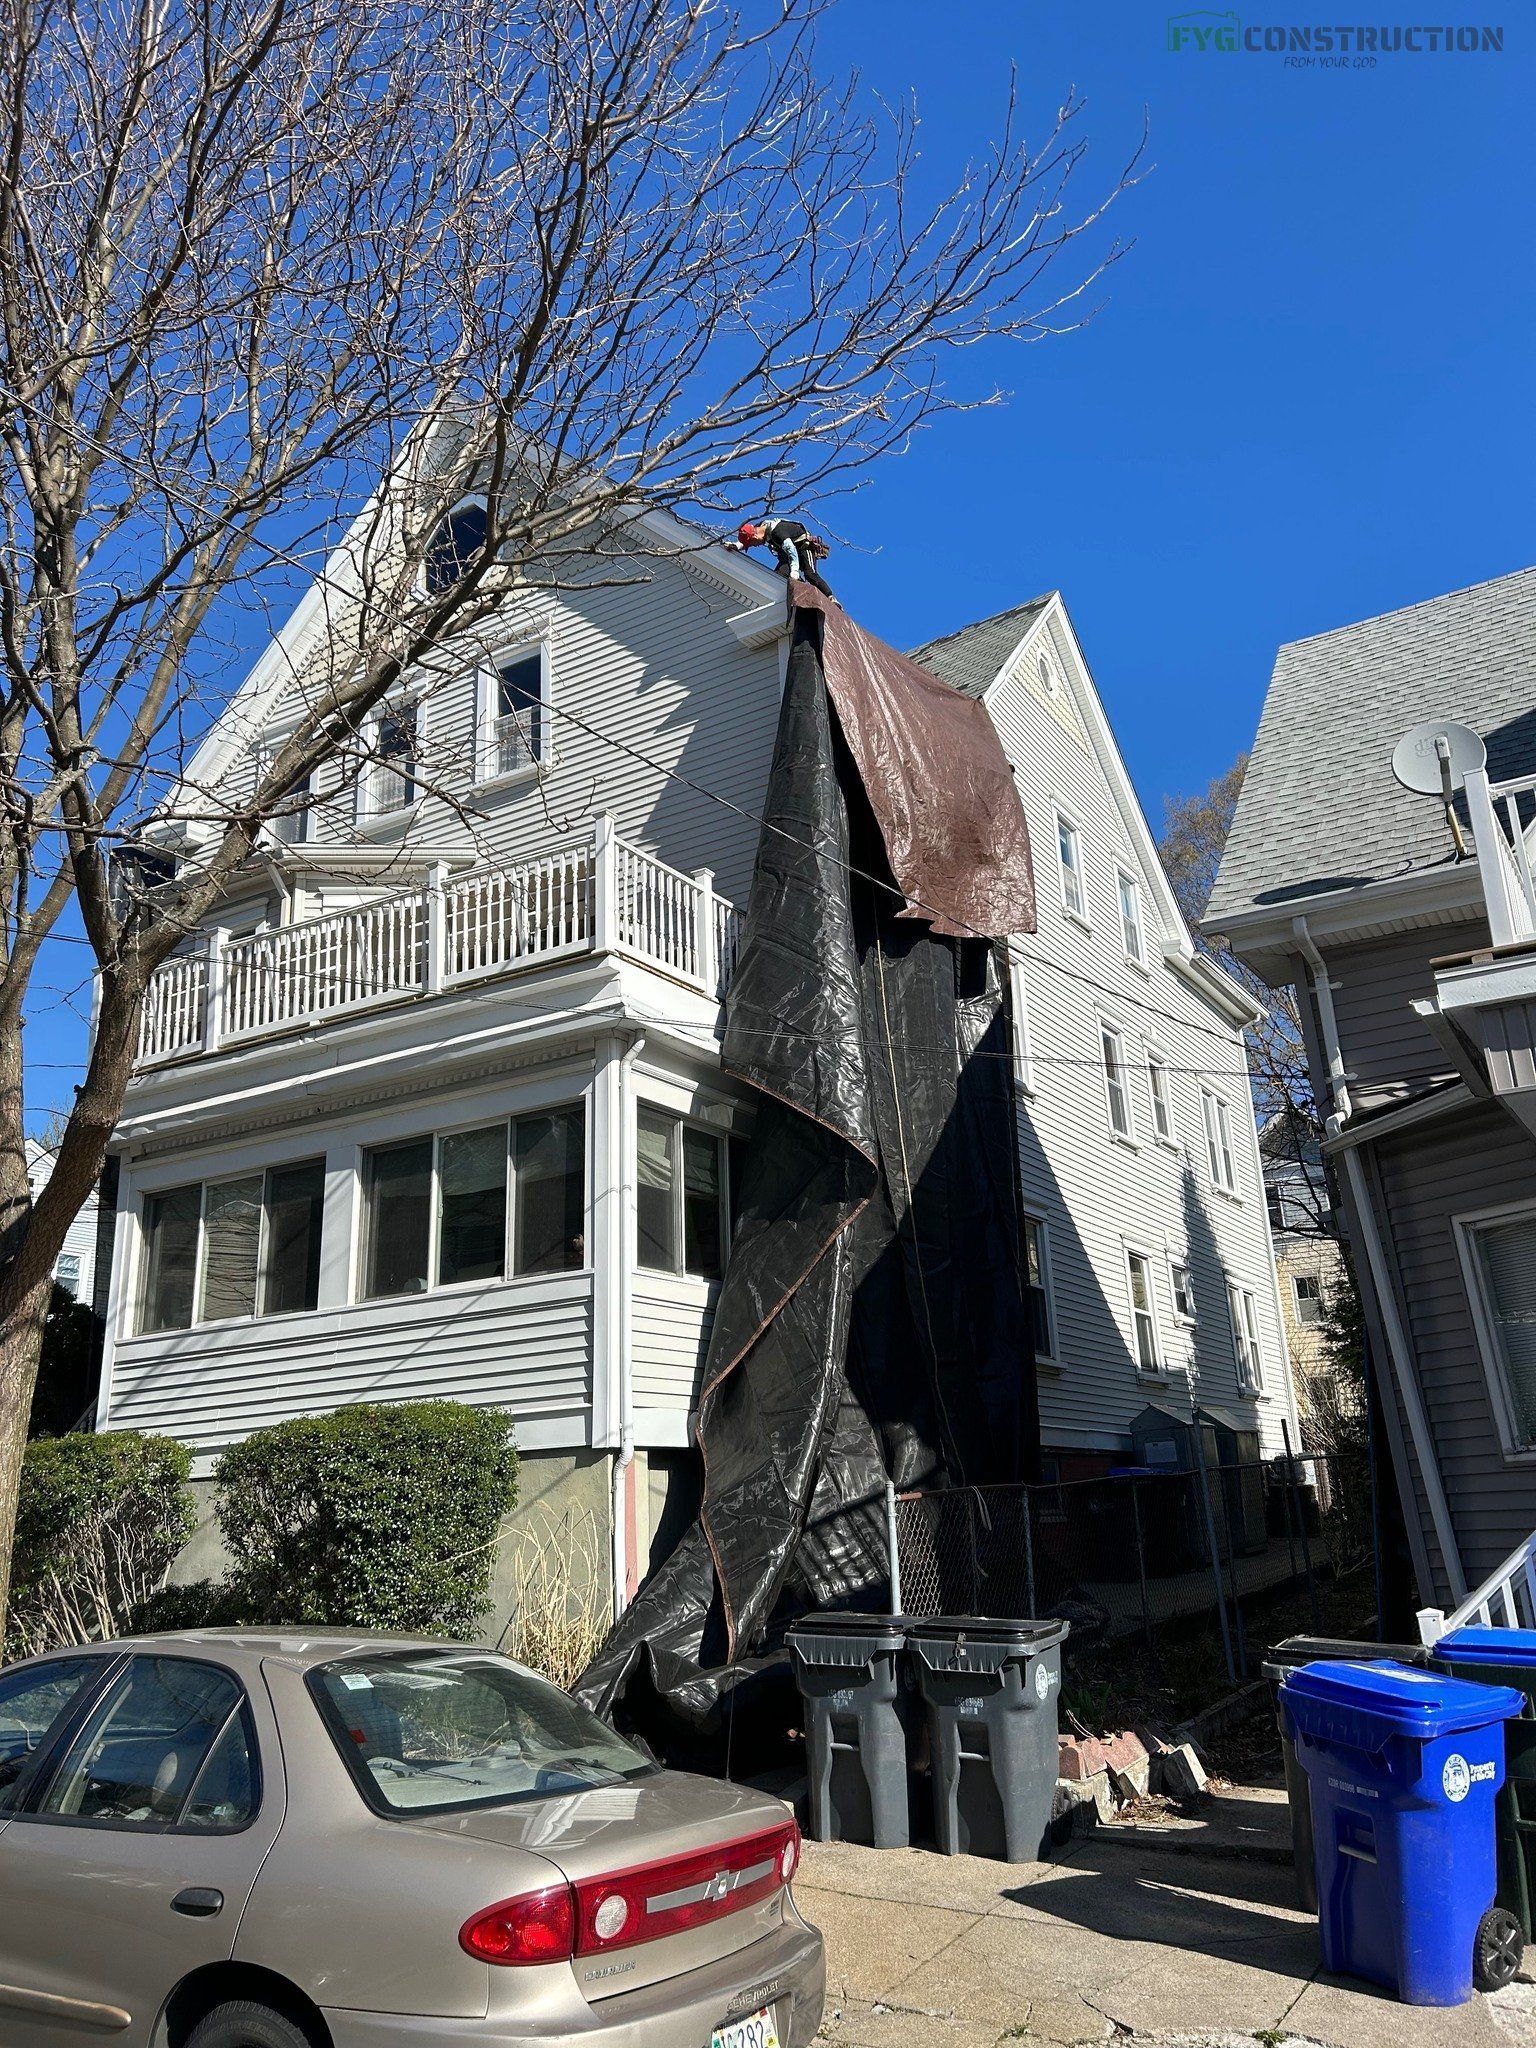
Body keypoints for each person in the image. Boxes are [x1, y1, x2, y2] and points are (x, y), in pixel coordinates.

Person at [731, 516, 834, 598]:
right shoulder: (759, 527)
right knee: (780, 574)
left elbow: (792, 551)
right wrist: (735, 545)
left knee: (810, 574)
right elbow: (747, 537)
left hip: (803, 547)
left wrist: (794, 571)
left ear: (755, 536)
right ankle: (802, 593)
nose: (755, 545)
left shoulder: (778, 532)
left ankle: (830, 597)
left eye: (753, 543)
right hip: (787, 553)